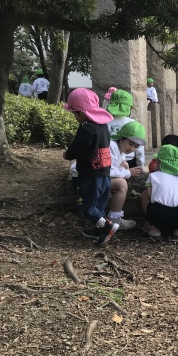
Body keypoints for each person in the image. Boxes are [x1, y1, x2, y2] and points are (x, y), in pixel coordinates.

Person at [63, 88, 118, 247]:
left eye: (74, 114)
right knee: (99, 205)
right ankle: (99, 230)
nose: (75, 118)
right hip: (105, 174)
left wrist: (67, 155)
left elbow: (77, 148)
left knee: (87, 207)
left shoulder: (86, 128)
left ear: (80, 112)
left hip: (90, 176)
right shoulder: (103, 125)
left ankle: (106, 226)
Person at [141, 144, 178, 237]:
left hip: (158, 214)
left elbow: (149, 194)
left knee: (144, 194)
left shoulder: (153, 176)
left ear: (159, 162)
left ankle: (153, 226)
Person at [108, 121, 146, 230]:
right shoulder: (112, 146)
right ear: (121, 138)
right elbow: (109, 171)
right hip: (95, 178)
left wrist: (126, 169)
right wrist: (128, 172)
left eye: (136, 146)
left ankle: (113, 194)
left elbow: (120, 165)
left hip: (101, 177)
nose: (132, 149)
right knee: (122, 184)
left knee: (124, 164)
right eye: (130, 143)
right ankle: (114, 220)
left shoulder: (119, 148)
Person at [106, 89, 145, 168]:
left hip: (109, 161)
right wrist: (141, 165)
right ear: (129, 108)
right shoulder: (134, 124)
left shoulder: (104, 122)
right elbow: (139, 148)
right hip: (130, 161)